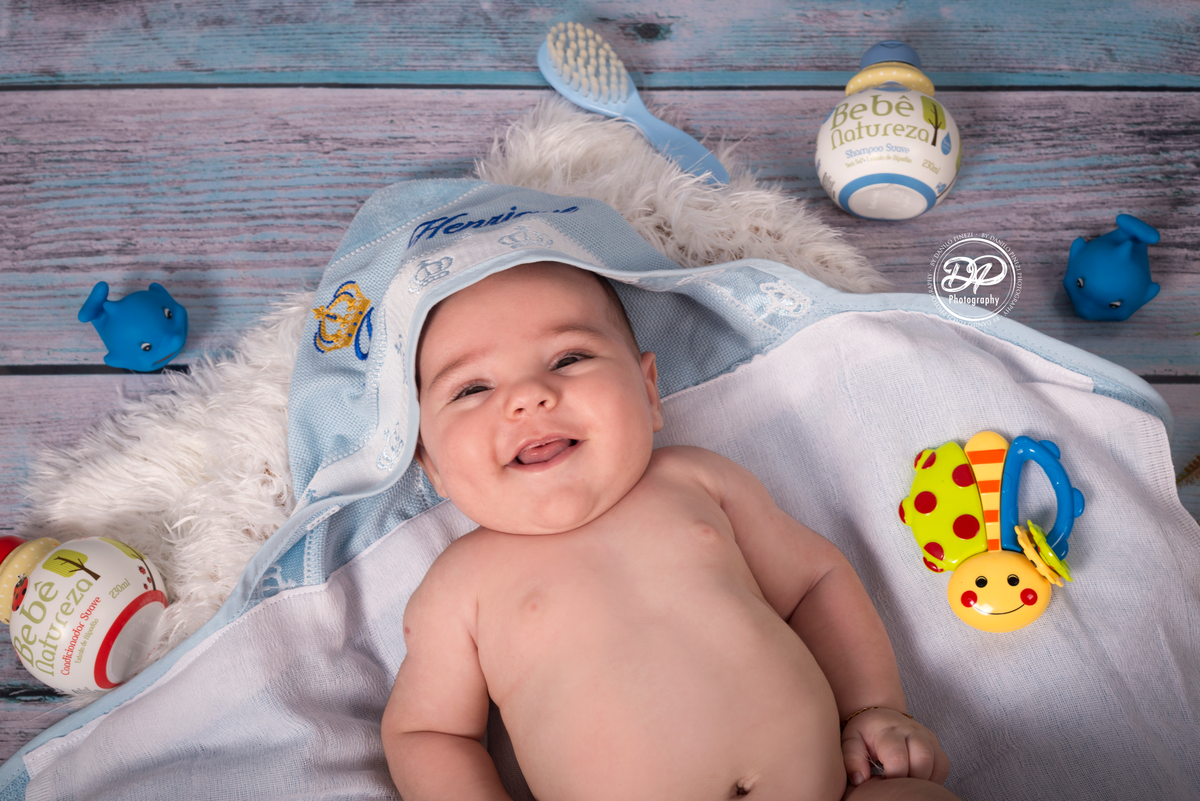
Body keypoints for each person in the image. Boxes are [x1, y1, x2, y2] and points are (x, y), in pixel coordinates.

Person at [382, 261, 959, 801]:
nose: (528, 397)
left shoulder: (695, 481)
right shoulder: (461, 583)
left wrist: (874, 709)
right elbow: (428, 733)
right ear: (430, 464)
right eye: (472, 389)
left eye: (568, 359)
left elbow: (815, 581)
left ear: (649, 390)